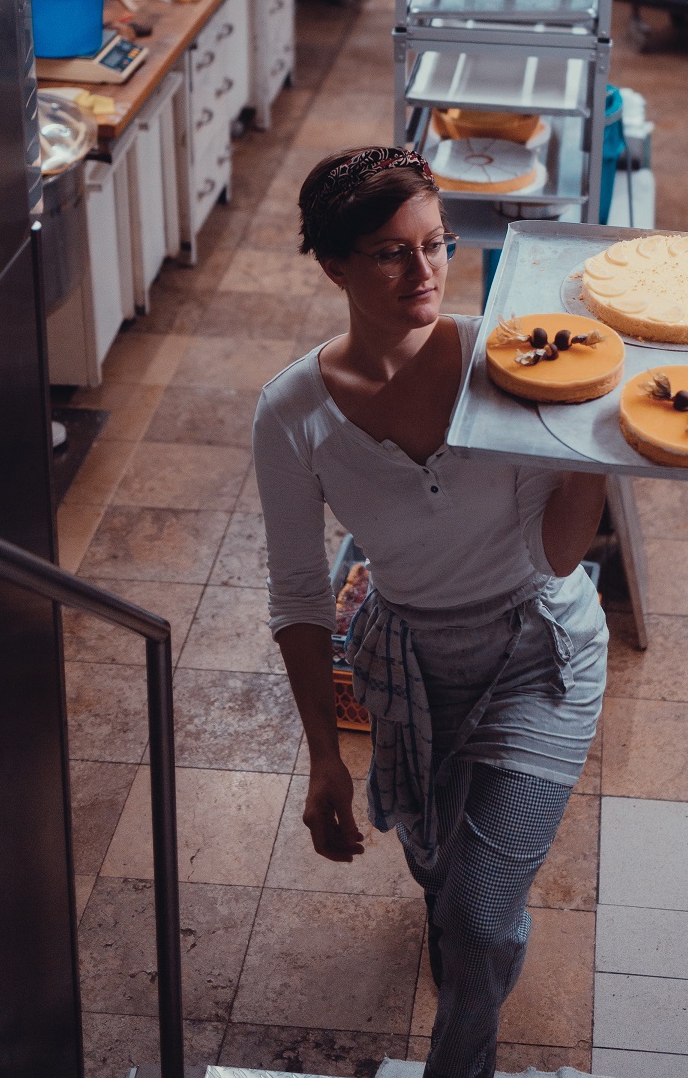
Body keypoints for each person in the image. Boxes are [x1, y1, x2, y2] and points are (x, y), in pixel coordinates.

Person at [253, 144, 608, 1078]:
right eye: (389, 252)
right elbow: (296, 596)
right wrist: (326, 757)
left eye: (436, 244)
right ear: (333, 265)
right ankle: (470, 942)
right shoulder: (293, 413)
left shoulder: (512, 358)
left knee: (477, 916)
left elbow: (559, 554)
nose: (425, 272)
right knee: (439, 876)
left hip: (542, 652)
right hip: (407, 665)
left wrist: (593, 439)